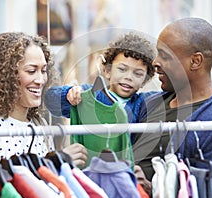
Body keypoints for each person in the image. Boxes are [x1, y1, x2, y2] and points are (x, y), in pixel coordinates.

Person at [132, 17, 212, 198]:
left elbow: (211, 197)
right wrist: (74, 93)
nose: (155, 62)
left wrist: (153, 189)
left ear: (195, 61)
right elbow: (102, 104)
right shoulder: (149, 103)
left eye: (165, 55)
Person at [0, 32, 87, 170]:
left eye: (43, 71)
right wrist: (56, 160)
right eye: (31, 71)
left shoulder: (39, 124)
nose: (40, 80)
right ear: (6, 75)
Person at [44, 32, 158, 167]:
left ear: (145, 80)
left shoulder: (142, 103)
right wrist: (69, 93)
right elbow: (51, 99)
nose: (129, 77)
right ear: (108, 71)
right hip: (87, 170)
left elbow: (170, 96)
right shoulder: (92, 95)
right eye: (122, 69)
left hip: (121, 172)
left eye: (138, 74)